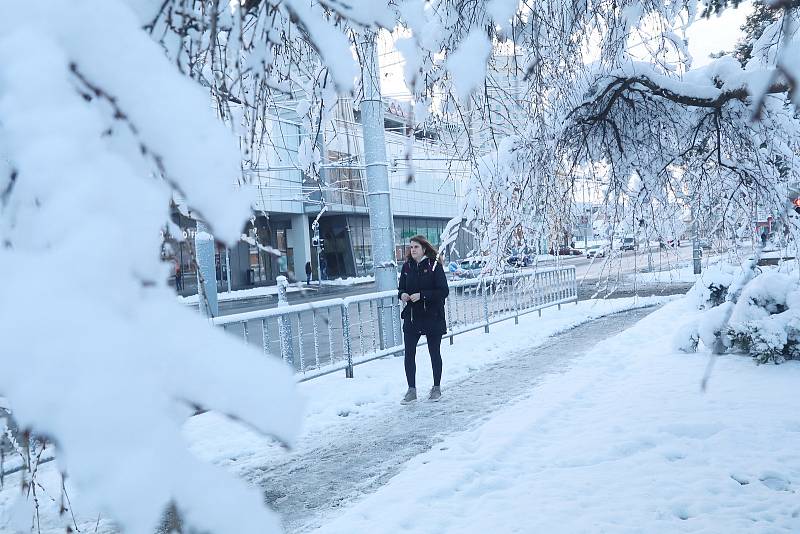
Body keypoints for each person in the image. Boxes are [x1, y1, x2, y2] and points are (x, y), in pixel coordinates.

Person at [398, 235, 450, 403]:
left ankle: (436, 387)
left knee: (434, 352)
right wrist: (403, 295)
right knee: (409, 354)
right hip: (413, 317)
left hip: (432, 315)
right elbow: (401, 288)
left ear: (424, 249)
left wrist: (423, 296)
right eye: (411, 247)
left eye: (416, 247)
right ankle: (411, 390)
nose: (412, 250)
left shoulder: (434, 266)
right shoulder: (407, 267)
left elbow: (444, 291)